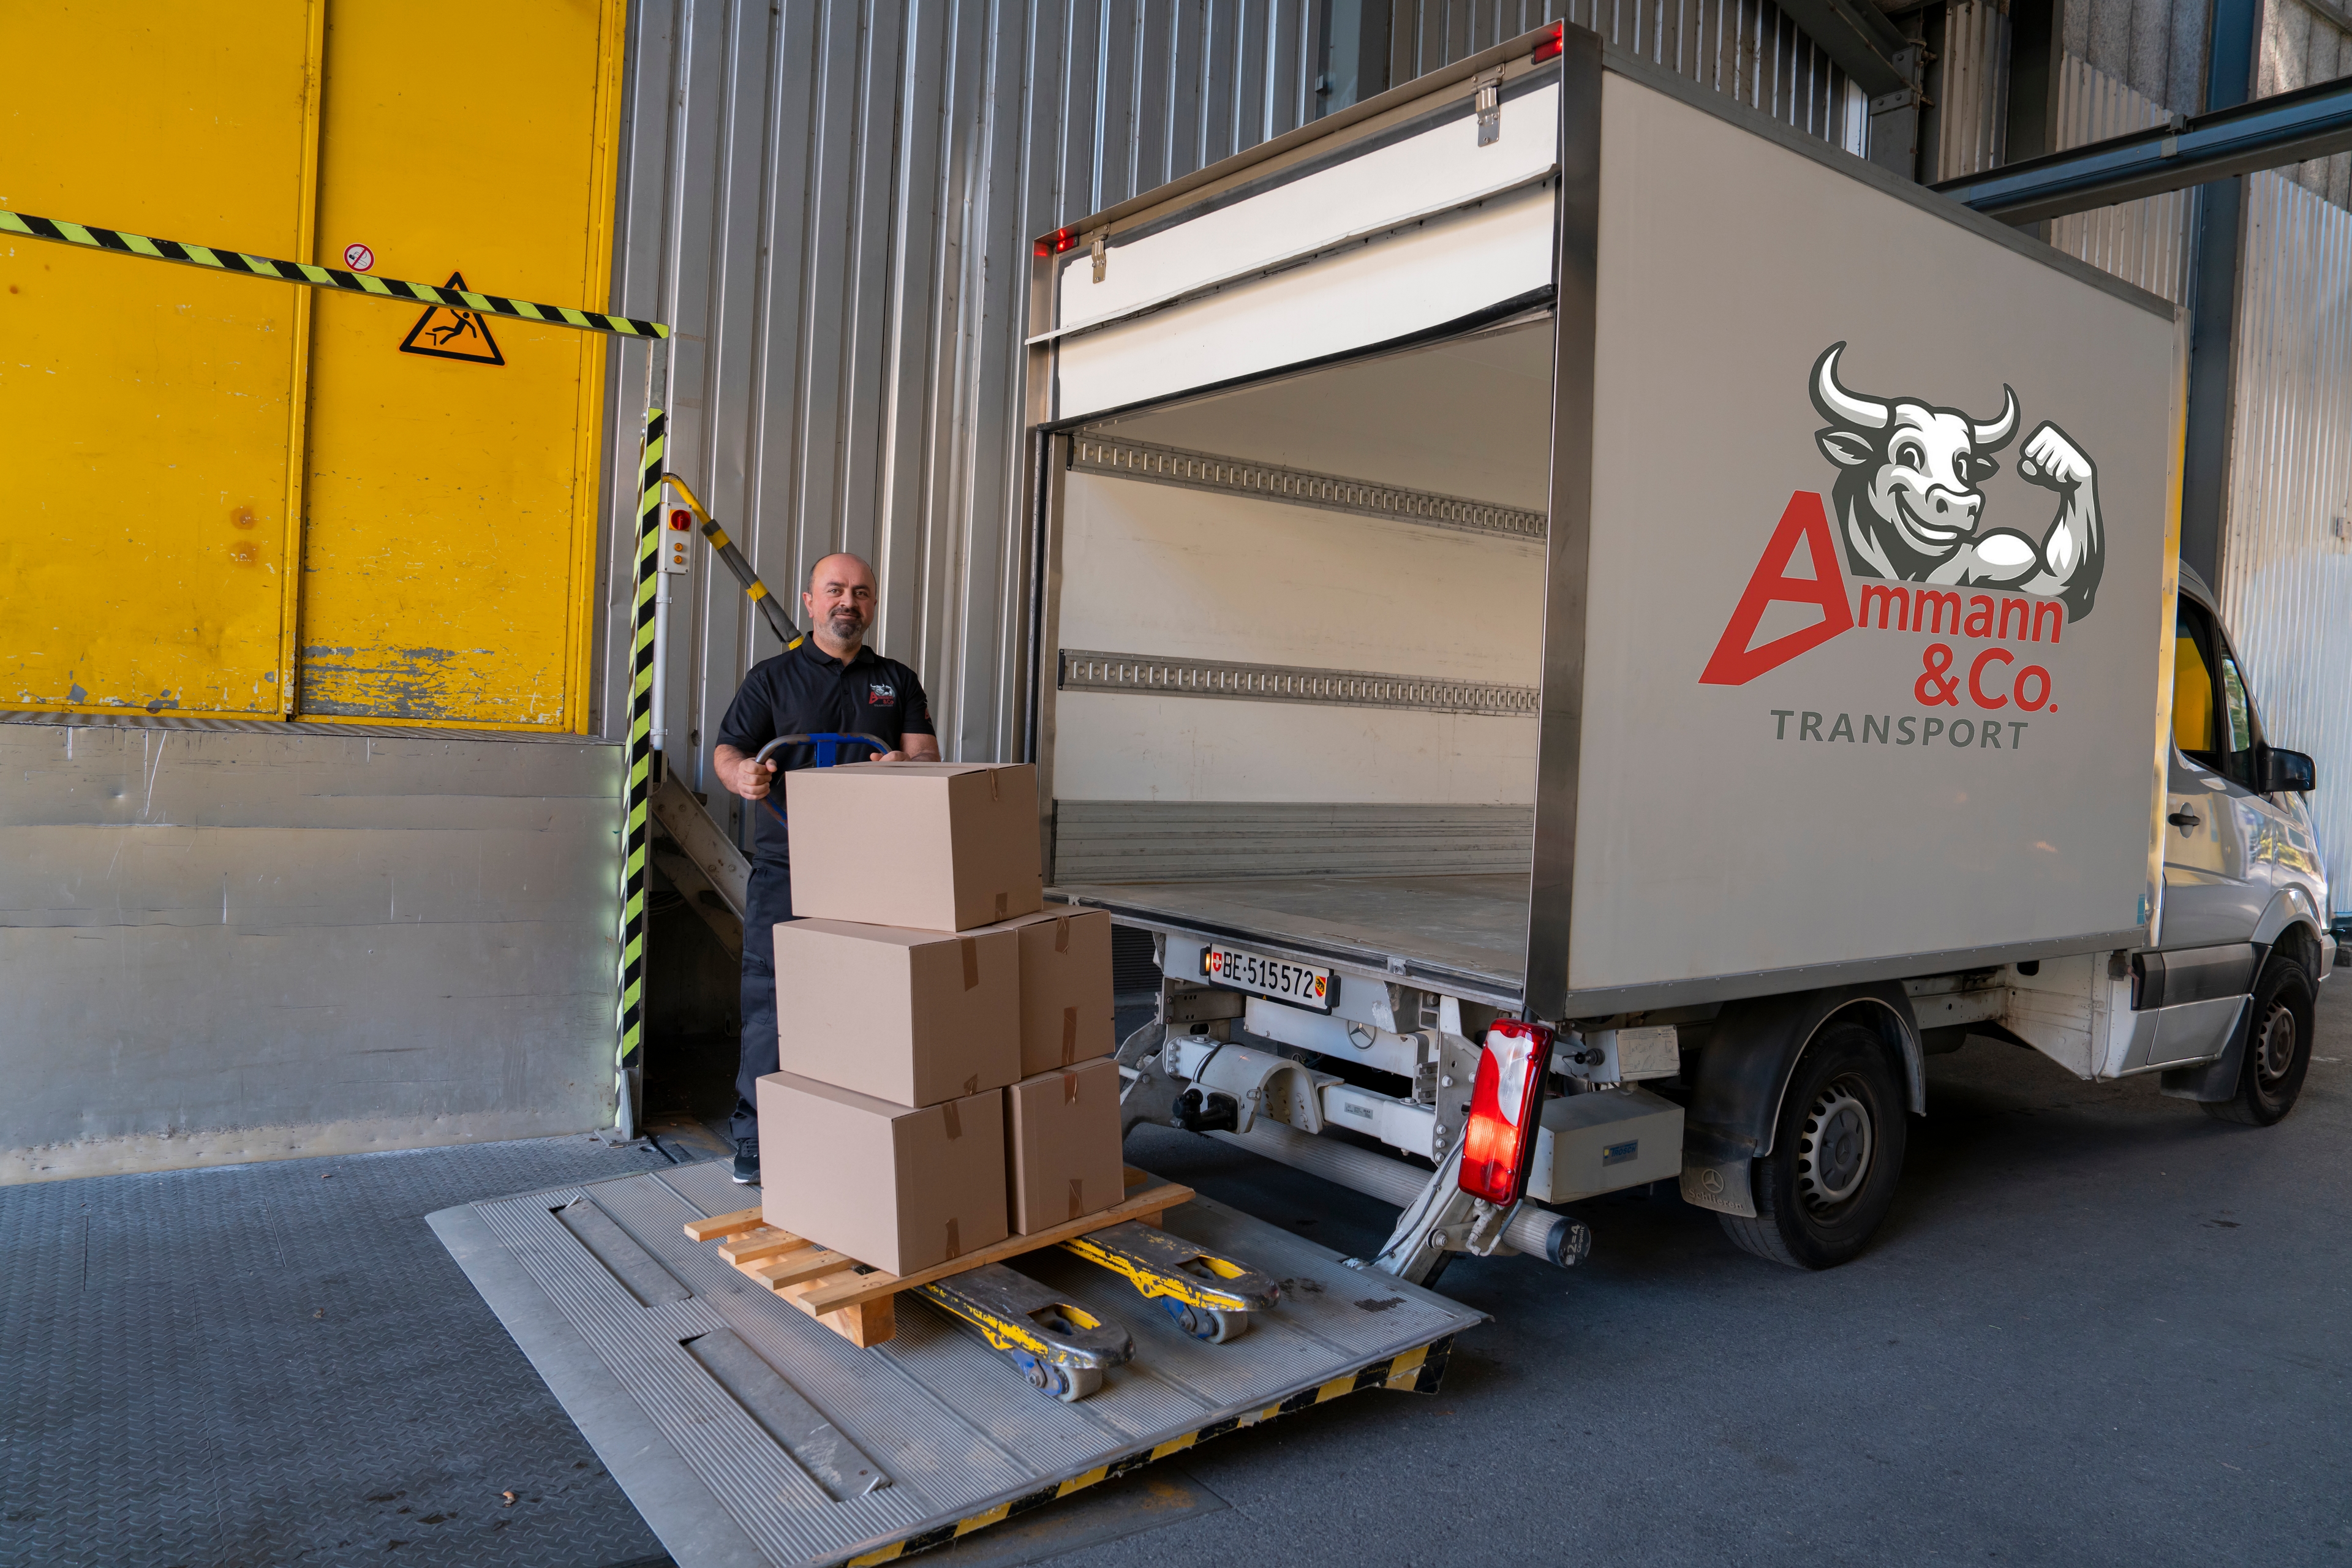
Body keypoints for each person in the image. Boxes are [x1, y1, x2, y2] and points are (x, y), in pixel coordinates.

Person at [712, 552, 938, 1183]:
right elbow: (728, 749)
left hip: (876, 873)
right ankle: (756, 1134)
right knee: (772, 997)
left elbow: (927, 754)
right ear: (810, 602)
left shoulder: (896, 679)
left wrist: (906, 768)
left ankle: (857, 1125)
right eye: (835, 590)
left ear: (872, 605)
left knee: (871, 994)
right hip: (788, 864)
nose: (848, 602)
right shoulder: (772, 679)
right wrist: (742, 775)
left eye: (861, 593)